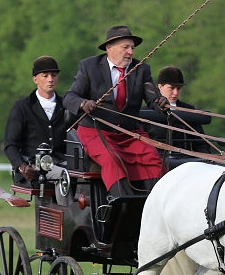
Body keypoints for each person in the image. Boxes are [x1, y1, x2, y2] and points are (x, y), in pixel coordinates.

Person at [63, 25, 170, 197]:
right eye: (125, 47)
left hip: (129, 133)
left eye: (132, 48)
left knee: (152, 157)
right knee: (111, 159)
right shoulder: (89, 67)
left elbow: (153, 99)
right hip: (95, 131)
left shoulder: (142, 69)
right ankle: (123, 205)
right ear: (109, 48)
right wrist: (84, 103)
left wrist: (161, 103)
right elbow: (69, 97)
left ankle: (156, 203)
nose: (130, 52)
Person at [4, 56, 69, 190]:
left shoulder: (66, 106)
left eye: (54, 75)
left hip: (64, 163)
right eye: (45, 76)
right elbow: (10, 145)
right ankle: (66, 210)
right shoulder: (22, 107)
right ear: (35, 79)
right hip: (35, 165)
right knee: (65, 176)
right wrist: (21, 166)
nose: (50, 79)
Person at [143, 65, 212, 160]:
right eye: (171, 88)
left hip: (184, 164)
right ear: (160, 87)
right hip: (156, 164)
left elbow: (200, 143)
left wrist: (206, 161)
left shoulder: (189, 110)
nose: (175, 93)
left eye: (179, 88)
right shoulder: (145, 112)